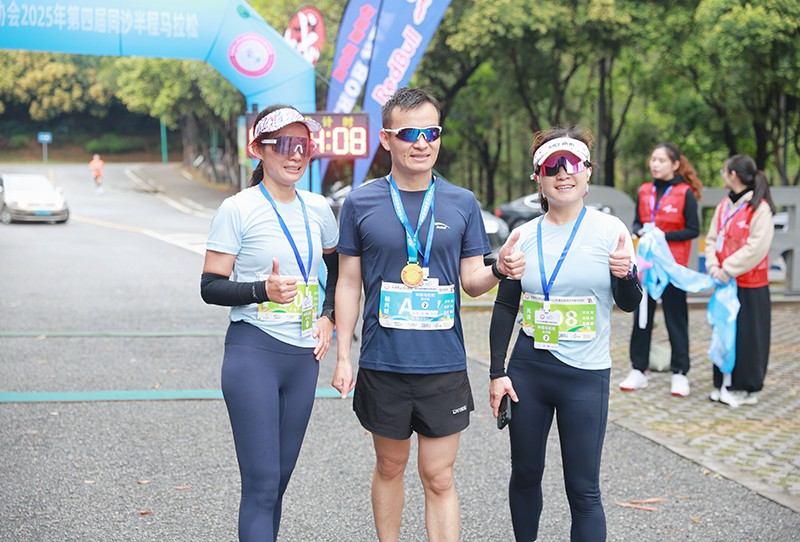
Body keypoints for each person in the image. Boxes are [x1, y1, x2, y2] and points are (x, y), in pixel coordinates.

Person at [332, 87, 525, 542]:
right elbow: (348, 282)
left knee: (439, 476)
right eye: (409, 133)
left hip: (442, 364)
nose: (421, 143)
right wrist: (343, 355)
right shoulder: (360, 203)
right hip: (384, 362)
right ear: (386, 139)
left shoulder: (462, 202)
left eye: (431, 132)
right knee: (389, 465)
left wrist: (499, 269)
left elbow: (471, 281)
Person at [488, 126, 642, 542]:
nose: (562, 173)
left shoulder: (611, 231)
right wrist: (496, 372)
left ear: (587, 172)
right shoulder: (524, 235)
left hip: (586, 375)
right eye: (551, 166)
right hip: (528, 371)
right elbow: (506, 306)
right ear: (538, 177)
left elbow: (629, 302)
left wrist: (626, 275)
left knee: (583, 489)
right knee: (525, 475)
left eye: (572, 163)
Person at [200, 104, 339, 542]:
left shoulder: (318, 208)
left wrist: (329, 316)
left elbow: (337, 268)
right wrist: (262, 289)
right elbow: (210, 286)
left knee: (277, 483)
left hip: (303, 358)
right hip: (253, 351)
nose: (295, 154)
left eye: (304, 145)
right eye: (284, 144)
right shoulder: (237, 209)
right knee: (260, 486)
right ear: (258, 149)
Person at [619, 142, 702, 397]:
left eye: (661, 160)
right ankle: (638, 369)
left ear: (675, 164)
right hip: (646, 267)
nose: (655, 164)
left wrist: (662, 235)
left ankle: (680, 373)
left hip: (672, 268)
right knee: (642, 317)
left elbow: (693, 229)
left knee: (676, 319)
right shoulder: (644, 190)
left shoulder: (685, 193)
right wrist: (640, 231)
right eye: (653, 159)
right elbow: (636, 223)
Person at [704, 154, 775, 407]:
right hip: (725, 282)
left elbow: (756, 247)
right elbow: (711, 239)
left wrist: (727, 269)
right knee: (724, 333)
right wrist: (713, 266)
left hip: (750, 285)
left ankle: (746, 387)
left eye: (724, 171)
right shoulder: (725, 205)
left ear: (733, 175)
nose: (723, 176)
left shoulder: (759, 207)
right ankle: (723, 383)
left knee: (748, 336)